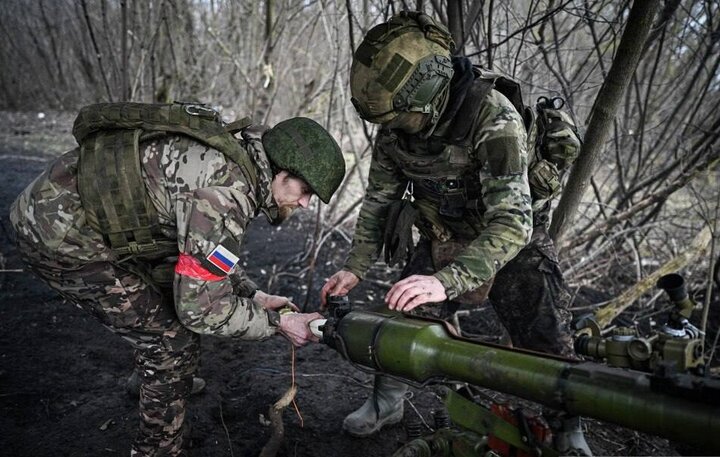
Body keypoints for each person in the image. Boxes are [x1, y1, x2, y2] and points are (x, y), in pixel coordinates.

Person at [321, 12, 589, 455]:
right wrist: (355, 268)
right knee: (402, 313)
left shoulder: (493, 118)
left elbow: (513, 222)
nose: (392, 128)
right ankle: (387, 401)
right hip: (442, 233)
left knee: (546, 337)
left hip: (508, 241)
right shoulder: (394, 135)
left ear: (426, 94)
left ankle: (566, 430)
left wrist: (444, 281)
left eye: (399, 117)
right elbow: (379, 201)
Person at [10, 104, 346, 457]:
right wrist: (279, 323)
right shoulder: (226, 195)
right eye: (305, 190)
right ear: (282, 171)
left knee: (168, 308)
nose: (306, 204)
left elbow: (205, 254)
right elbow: (201, 310)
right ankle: (157, 446)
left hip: (75, 208)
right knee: (172, 341)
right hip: (59, 235)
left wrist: (253, 295)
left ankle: (155, 380)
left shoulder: (243, 153)